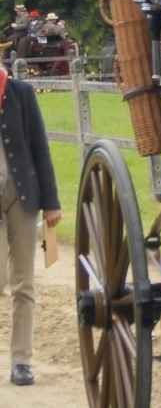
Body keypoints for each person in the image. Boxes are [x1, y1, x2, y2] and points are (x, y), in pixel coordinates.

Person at [0, 64, 62, 386]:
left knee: (24, 283)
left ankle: (21, 361)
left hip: (23, 198)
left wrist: (51, 203)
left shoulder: (21, 93)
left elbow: (40, 148)